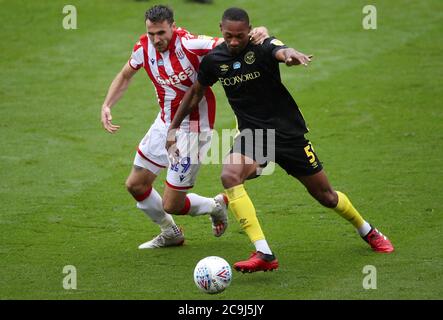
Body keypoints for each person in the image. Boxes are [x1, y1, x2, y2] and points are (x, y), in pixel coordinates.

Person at [166, 7, 394, 272]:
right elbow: (195, 92)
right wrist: (173, 129)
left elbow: (280, 50)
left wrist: (290, 56)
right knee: (230, 176)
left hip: (289, 135)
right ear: (221, 30)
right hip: (255, 135)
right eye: (229, 36)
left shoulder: (261, 45)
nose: (234, 41)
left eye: (240, 36)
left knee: (327, 197)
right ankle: (264, 252)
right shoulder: (214, 61)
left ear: (249, 31)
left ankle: (367, 230)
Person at [100, 5, 269, 249]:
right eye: (151, 34)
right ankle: (171, 232)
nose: (156, 39)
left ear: (173, 27)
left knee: (172, 204)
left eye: (161, 33)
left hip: (194, 131)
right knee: (135, 185)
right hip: (164, 124)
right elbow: (125, 75)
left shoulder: (191, 44)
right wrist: (107, 104)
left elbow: (232, 42)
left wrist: (261, 32)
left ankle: (215, 205)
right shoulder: (143, 47)